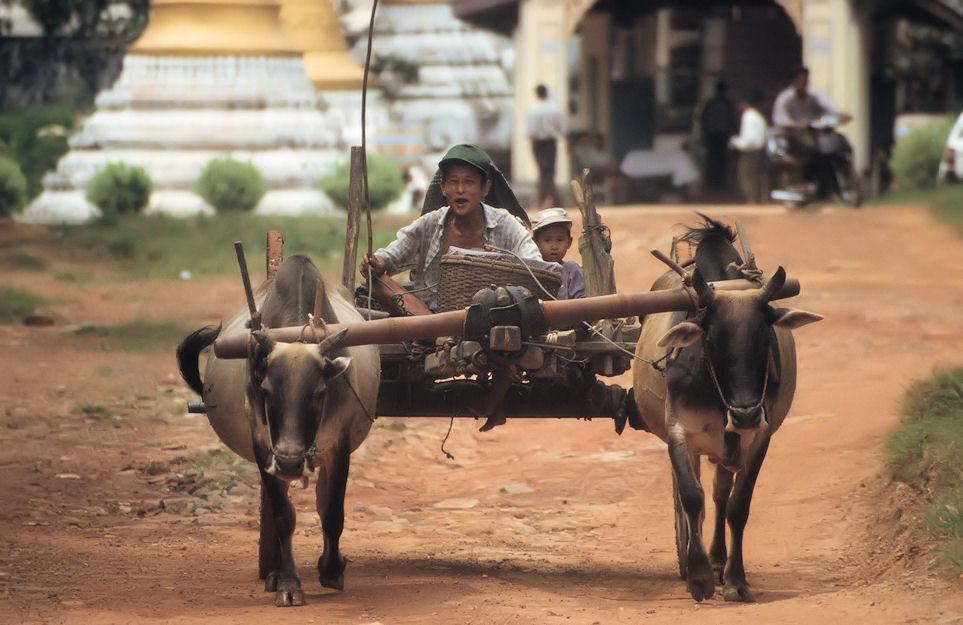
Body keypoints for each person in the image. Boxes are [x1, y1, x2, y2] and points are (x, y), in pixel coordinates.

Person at [360, 144, 541, 313]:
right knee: (376, 283)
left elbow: (537, 266)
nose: (460, 189)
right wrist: (378, 262)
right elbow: (391, 255)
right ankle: (436, 332)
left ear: (485, 188)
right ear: (443, 187)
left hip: (488, 318)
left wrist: (503, 264)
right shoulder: (428, 224)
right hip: (429, 318)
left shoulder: (505, 224)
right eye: (453, 182)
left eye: (469, 182)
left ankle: (437, 332)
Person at [772, 66, 851, 186]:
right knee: (809, 148)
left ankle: (843, 175)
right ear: (794, 82)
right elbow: (779, 119)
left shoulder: (814, 96)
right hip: (795, 135)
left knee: (841, 142)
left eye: (805, 81)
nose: (803, 84)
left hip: (816, 132)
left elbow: (829, 107)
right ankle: (800, 182)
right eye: (800, 81)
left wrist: (842, 115)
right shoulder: (785, 99)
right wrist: (795, 125)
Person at [531, 207, 585, 300]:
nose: (554, 246)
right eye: (547, 240)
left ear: (569, 242)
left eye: (560, 240)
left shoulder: (572, 270)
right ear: (535, 243)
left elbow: (581, 302)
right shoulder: (531, 270)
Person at [526, 84, 565, 208]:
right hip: (550, 143)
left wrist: (533, 148)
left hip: (538, 143)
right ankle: (549, 198)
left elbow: (530, 132)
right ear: (546, 93)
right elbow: (563, 128)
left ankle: (545, 199)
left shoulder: (532, 110)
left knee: (542, 171)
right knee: (550, 170)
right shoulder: (555, 109)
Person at [729, 88, 767, 204]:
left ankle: (752, 201)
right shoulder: (758, 117)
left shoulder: (748, 116)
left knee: (747, 177)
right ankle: (753, 200)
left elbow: (749, 139)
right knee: (753, 176)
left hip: (750, 152)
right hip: (759, 151)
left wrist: (736, 143)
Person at [699, 80, 737, 193]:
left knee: (719, 159)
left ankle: (718, 182)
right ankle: (713, 182)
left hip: (720, 134)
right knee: (713, 159)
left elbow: (731, 120)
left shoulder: (722, 104)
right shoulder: (715, 103)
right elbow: (704, 119)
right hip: (714, 134)